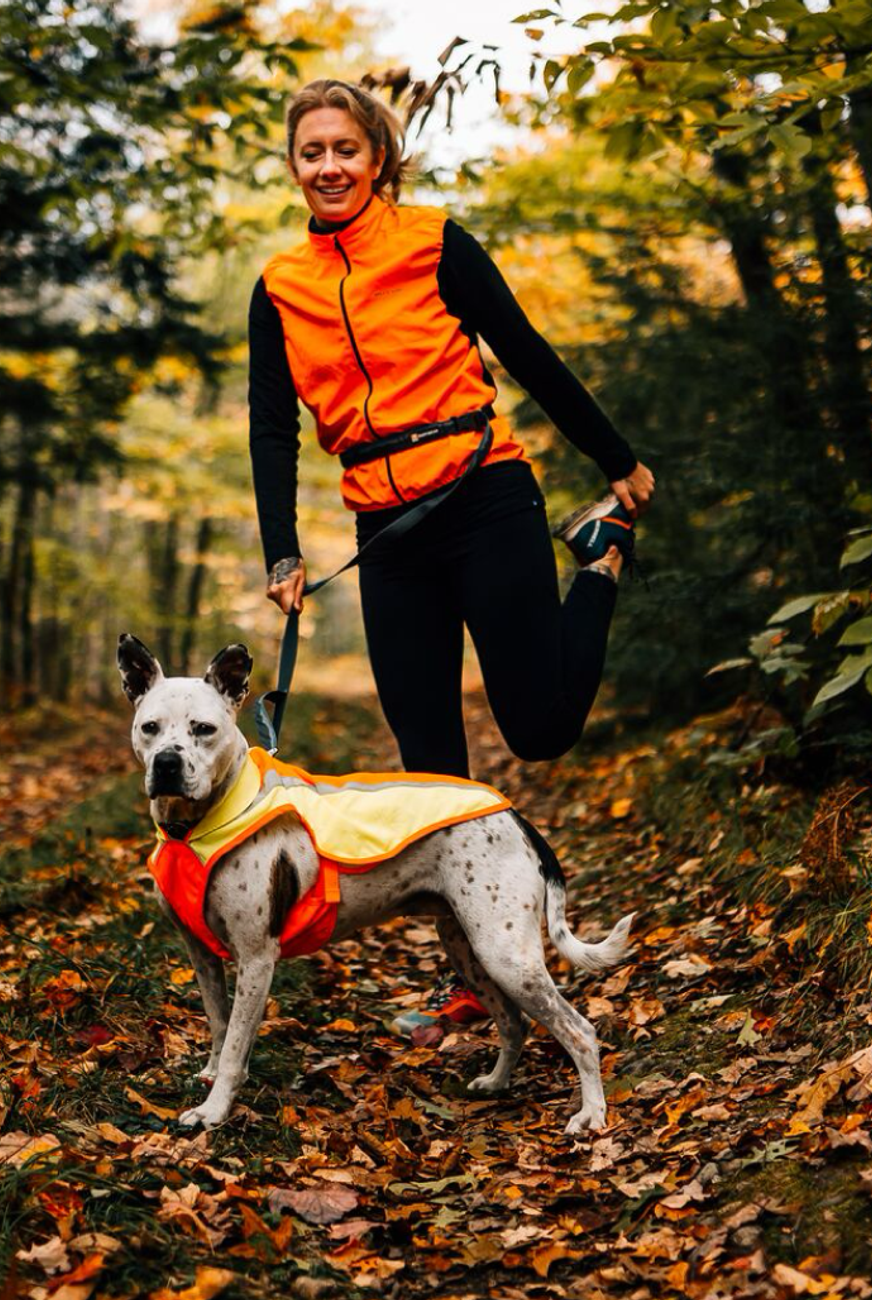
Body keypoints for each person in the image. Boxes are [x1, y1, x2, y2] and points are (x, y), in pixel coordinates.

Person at [248, 79, 655, 1033]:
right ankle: (475, 976)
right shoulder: (279, 285)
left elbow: (526, 350)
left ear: (377, 155)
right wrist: (281, 550)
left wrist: (615, 459)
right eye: (312, 152)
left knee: (541, 728)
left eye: (345, 148)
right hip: (386, 540)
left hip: (486, 498)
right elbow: (272, 430)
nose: (329, 166)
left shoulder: (434, 242)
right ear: (294, 167)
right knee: (432, 774)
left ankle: (599, 561)